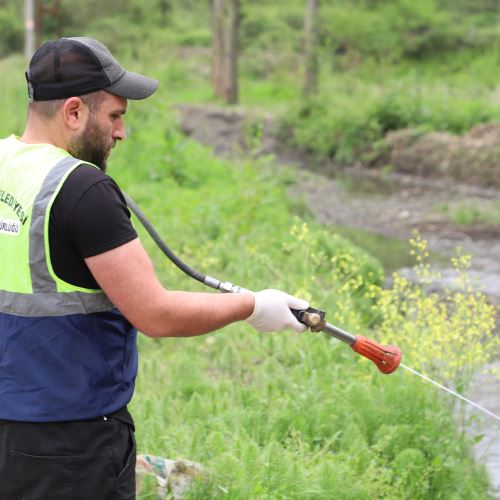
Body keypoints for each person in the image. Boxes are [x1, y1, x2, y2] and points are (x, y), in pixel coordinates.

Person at [0, 37, 308, 499]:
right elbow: (156, 313)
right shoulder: (81, 189)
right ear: (73, 113)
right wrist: (252, 305)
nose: (121, 132)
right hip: (72, 447)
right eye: (115, 116)